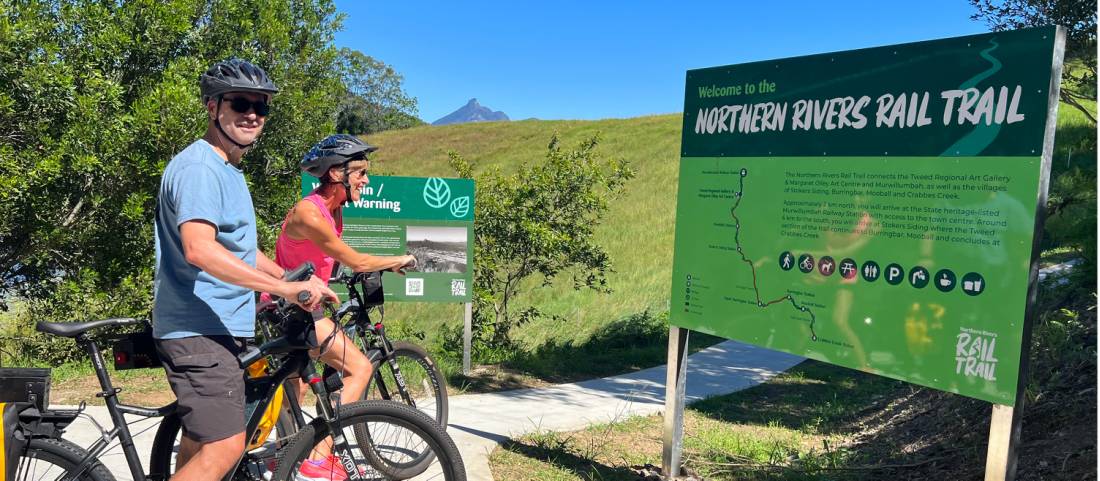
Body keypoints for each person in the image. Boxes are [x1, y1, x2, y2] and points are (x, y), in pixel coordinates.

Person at [152, 58, 337, 481]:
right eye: (240, 103)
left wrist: (286, 281)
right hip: (198, 330)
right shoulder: (200, 168)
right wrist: (288, 292)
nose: (252, 113)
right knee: (226, 448)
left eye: (262, 106)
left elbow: (238, 249)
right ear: (213, 107)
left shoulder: (228, 169)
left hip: (218, 327)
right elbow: (200, 250)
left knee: (201, 444)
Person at [272, 133, 415, 480]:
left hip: (294, 306)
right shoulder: (310, 213)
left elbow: (326, 257)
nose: (366, 180)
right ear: (337, 173)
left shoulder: (332, 213)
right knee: (360, 369)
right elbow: (353, 257)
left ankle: (285, 455)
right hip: (294, 309)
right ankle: (321, 456)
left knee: (295, 383)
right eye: (361, 172)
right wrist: (397, 259)